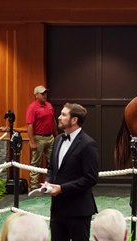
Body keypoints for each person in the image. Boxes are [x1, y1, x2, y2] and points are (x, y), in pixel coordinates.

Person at [45, 102, 99, 241]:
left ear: (74, 120)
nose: (59, 117)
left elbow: (91, 178)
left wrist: (62, 189)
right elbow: (51, 168)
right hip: (57, 210)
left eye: (63, 115)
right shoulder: (57, 140)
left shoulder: (88, 144)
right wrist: (48, 182)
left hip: (78, 211)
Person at [26, 85, 57, 190]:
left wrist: (56, 135)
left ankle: (52, 182)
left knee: (53, 161)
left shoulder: (49, 105)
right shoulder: (32, 107)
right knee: (36, 162)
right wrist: (32, 142)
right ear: (36, 95)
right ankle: (34, 185)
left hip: (50, 137)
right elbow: (29, 125)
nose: (45, 95)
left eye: (45, 93)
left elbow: (53, 121)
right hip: (39, 138)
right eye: (42, 93)